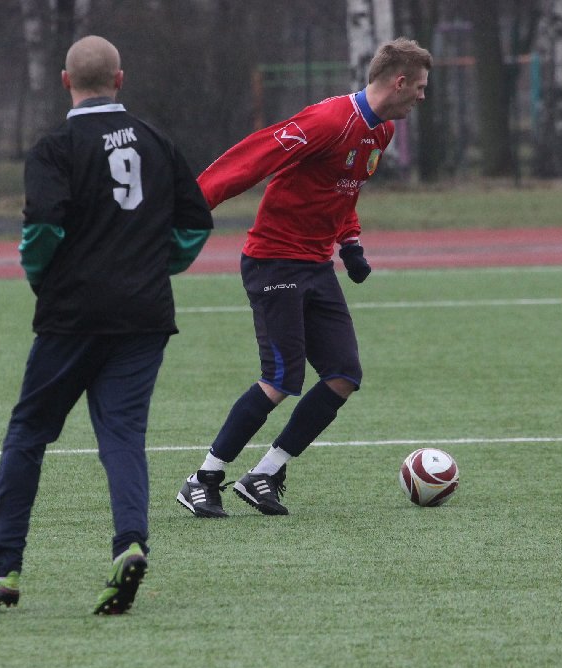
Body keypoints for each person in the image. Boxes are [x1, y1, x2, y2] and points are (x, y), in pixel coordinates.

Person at [0, 35, 213, 615]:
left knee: (28, 434)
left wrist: (43, 279)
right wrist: (152, 267)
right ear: (120, 79)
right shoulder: (155, 141)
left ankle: (6, 570)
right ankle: (129, 544)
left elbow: (42, 230)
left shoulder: (55, 147)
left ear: (65, 81)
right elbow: (194, 225)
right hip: (145, 316)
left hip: (72, 316)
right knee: (123, 436)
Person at [177, 37, 431, 517]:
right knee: (280, 378)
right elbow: (253, 157)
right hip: (273, 260)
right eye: (419, 87)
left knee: (343, 375)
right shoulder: (330, 120)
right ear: (399, 82)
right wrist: (189, 205)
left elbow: (343, 193)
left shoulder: (380, 133)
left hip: (316, 265)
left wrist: (350, 244)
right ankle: (202, 479)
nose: (422, 96)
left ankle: (265, 473)